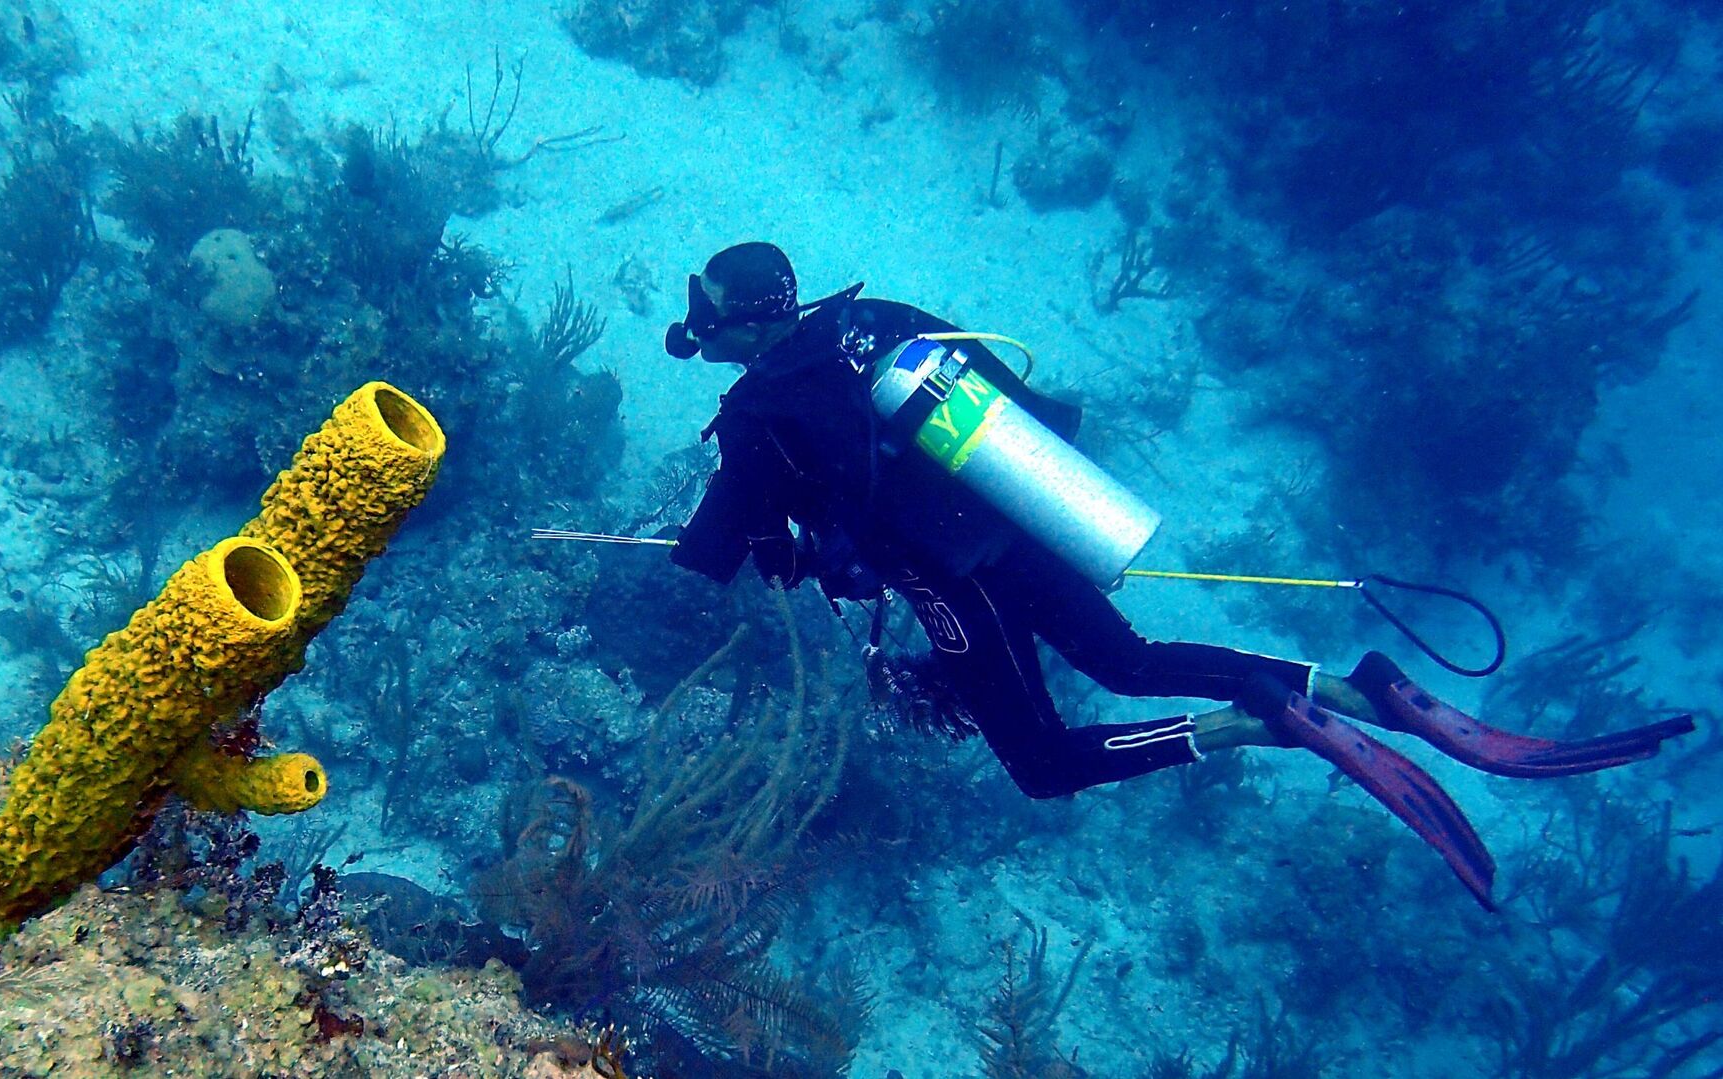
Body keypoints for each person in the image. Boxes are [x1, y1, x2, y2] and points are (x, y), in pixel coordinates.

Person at [661, 242, 1695, 910]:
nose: (700, 323)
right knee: (1134, 659)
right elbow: (1025, 407)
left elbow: (711, 557)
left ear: (745, 319)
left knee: (1045, 763)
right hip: (1033, 525)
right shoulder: (876, 320)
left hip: (953, 581)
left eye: (708, 308)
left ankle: (1259, 719)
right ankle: (1356, 688)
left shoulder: (755, 412)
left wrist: (736, 528)